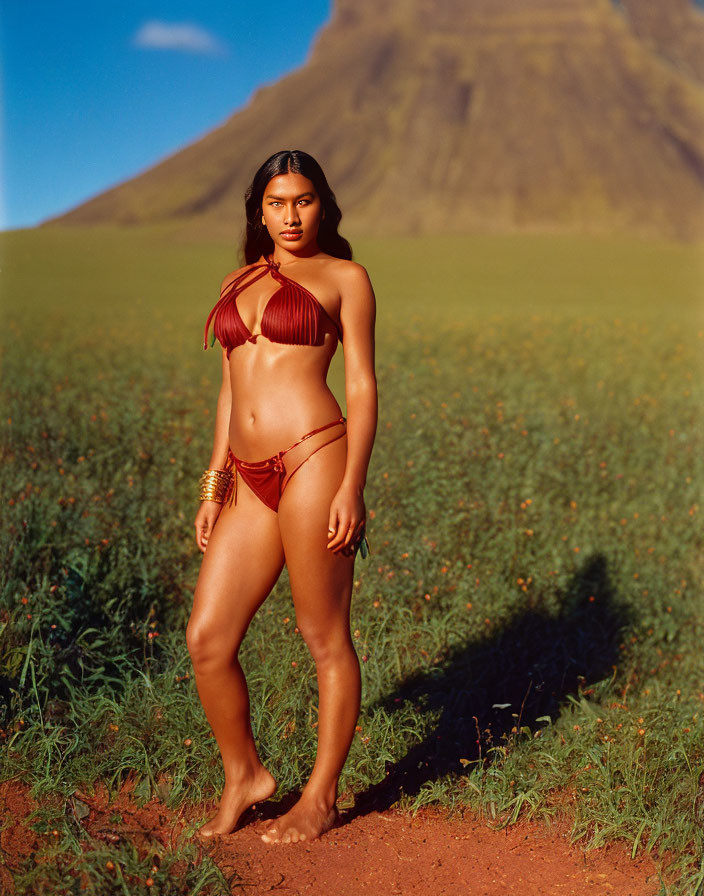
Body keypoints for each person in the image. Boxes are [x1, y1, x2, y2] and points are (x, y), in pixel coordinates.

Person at [187, 149, 378, 844]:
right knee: (207, 640)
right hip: (247, 474)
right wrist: (215, 484)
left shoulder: (345, 278)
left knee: (322, 635)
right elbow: (230, 389)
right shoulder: (239, 279)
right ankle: (246, 776)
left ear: (322, 204)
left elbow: (360, 385)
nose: (290, 216)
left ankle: (321, 797)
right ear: (258, 210)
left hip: (314, 461)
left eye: (302, 201)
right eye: (276, 203)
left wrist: (353, 485)